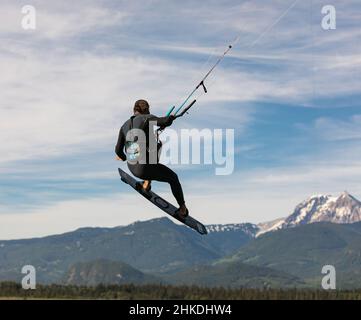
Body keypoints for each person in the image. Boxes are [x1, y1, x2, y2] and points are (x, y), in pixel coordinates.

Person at [115, 99, 189, 218]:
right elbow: (164, 121)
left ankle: (146, 182)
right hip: (145, 168)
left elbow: (118, 151)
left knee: (154, 144)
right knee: (173, 178)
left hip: (131, 167)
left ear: (134, 110)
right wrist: (170, 118)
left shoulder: (124, 126)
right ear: (147, 109)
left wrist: (123, 157)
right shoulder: (147, 118)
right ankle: (183, 209)